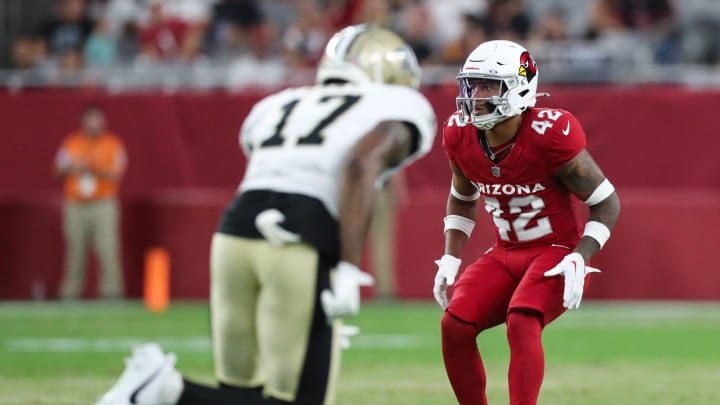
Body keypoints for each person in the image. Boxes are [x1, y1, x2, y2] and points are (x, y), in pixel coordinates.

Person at [94, 24, 437, 405]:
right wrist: (347, 268)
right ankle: (164, 389)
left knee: (237, 391)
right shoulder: (395, 106)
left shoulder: (280, 103)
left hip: (233, 232)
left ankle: (161, 389)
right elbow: (360, 165)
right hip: (295, 238)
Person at [432, 40, 621, 405]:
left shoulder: (549, 133)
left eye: (488, 85)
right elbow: (462, 195)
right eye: (472, 84)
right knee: (454, 324)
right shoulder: (459, 133)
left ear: (518, 88)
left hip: (556, 250)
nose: (475, 95)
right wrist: (451, 257)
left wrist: (581, 255)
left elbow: (606, 203)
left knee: (522, 321)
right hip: (505, 252)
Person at [55, 104, 127, 300]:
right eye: (90, 119)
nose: (94, 124)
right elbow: (57, 170)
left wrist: (93, 168)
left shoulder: (113, 145)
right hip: (76, 204)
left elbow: (117, 173)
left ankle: (112, 291)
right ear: (83, 122)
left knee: (107, 249)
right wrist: (74, 167)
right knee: (75, 251)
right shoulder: (71, 143)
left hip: (103, 204)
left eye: (97, 119)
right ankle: (70, 291)